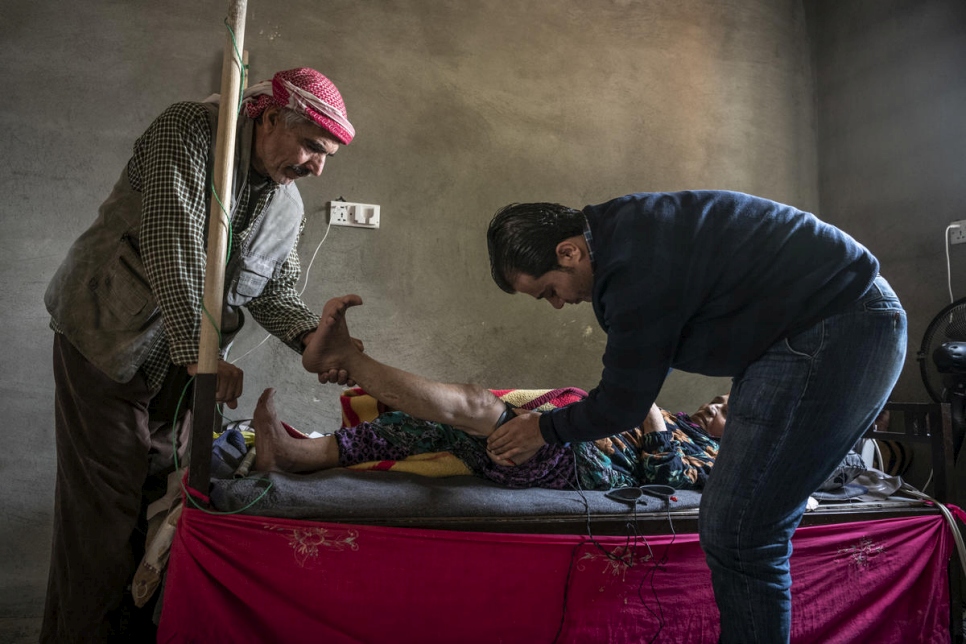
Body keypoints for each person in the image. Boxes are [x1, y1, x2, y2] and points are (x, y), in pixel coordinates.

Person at [484, 191, 906, 643]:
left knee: (740, 530)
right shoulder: (628, 231)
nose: (557, 304)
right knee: (736, 524)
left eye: (549, 290)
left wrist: (543, 428)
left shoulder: (632, 267)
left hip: (838, 322)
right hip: (822, 324)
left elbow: (623, 403)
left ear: (569, 252)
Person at [42, 67, 358, 643]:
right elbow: (173, 241)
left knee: (159, 498)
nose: (317, 167)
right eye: (313, 145)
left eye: (327, 156)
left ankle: (132, 632)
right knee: (104, 515)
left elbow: (274, 292)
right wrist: (203, 351)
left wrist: (315, 338)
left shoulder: (283, 204)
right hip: (105, 337)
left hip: (179, 366)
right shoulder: (190, 131)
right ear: (266, 117)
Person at [254, 295, 719, 490]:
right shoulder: (682, 420)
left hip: (580, 467)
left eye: (723, 410)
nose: (713, 405)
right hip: (561, 434)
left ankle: (348, 359)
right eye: (717, 399)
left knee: (476, 404)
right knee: (426, 424)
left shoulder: (718, 456)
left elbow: (668, 485)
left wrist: (652, 418)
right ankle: (299, 455)